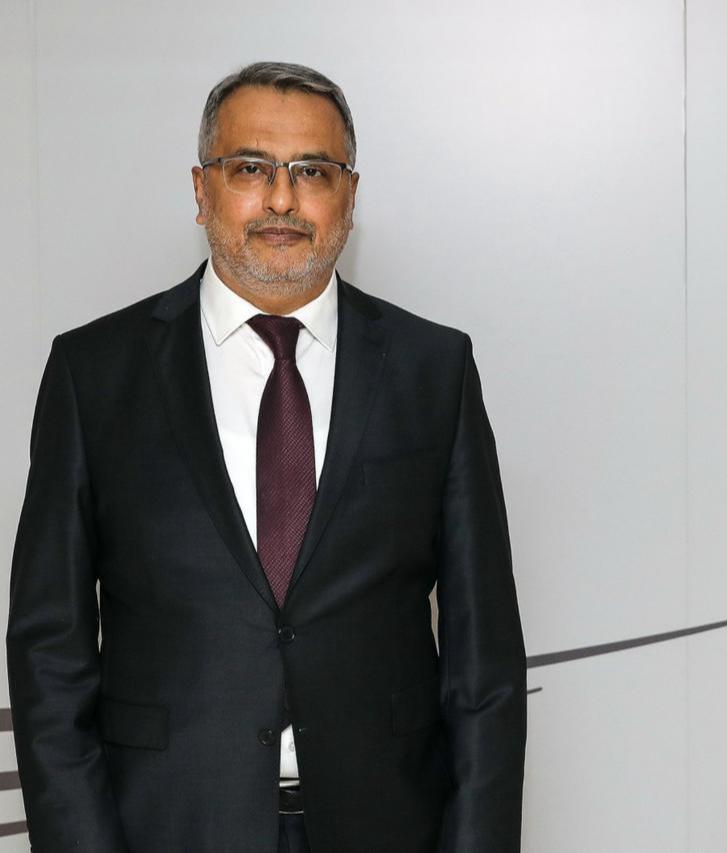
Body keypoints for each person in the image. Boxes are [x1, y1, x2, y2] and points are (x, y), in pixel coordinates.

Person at [5, 61, 527, 853]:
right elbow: (50, 655)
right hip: (168, 824)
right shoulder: (94, 373)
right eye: (250, 167)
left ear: (349, 198)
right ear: (201, 187)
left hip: (387, 823)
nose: (281, 198)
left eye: (313, 172)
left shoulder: (434, 370)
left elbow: (484, 665)